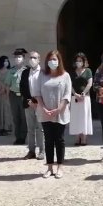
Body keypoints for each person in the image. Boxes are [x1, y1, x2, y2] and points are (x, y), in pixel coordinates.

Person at [33, 50, 72, 179]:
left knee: (59, 140)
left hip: (60, 113)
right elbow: (37, 93)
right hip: (45, 113)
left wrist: (58, 109)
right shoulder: (42, 75)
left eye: (55, 59)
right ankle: (49, 167)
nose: (52, 62)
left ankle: (60, 166)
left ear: (59, 61)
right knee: (48, 140)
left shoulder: (65, 76)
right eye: (50, 59)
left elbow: (67, 95)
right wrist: (43, 108)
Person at [20, 51, 45, 160]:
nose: (32, 59)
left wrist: (38, 102)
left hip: (39, 104)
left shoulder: (43, 72)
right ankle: (31, 151)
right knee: (30, 129)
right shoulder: (25, 72)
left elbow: (45, 88)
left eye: (34, 57)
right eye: (30, 57)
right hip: (28, 104)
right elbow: (22, 88)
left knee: (40, 128)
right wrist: (28, 100)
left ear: (39, 59)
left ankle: (42, 150)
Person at [5, 48, 29, 145]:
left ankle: (23, 137)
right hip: (13, 95)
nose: (17, 59)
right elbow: (7, 84)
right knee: (16, 117)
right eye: (16, 57)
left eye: (19, 57)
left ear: (23, 58)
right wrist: (7, 96)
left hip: (23, 96)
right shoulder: (11, 70)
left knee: (24, 117)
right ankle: (17, 137)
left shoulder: (27, 70)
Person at [70, 52, 94, 146]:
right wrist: (75, 94)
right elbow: (70, 84)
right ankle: (77, 137)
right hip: (75, 97)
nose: (78, 62)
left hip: (85, 97)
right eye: (77, 61)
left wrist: (84, 93)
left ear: (84, 61)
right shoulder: (72, 72)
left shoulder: (88, 71)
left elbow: (90, 83)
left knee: (84, 116)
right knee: (75, 117)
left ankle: (84, 138)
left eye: (80, 60)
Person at [0, 55, 13, 136]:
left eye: (7, 61)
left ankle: (6, 128)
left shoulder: (9, 71)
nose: (6, 63)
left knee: (6, 110)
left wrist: (4, 89)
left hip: (6, 93)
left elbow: (9, 82)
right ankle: (0, 128)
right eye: (4, 61)